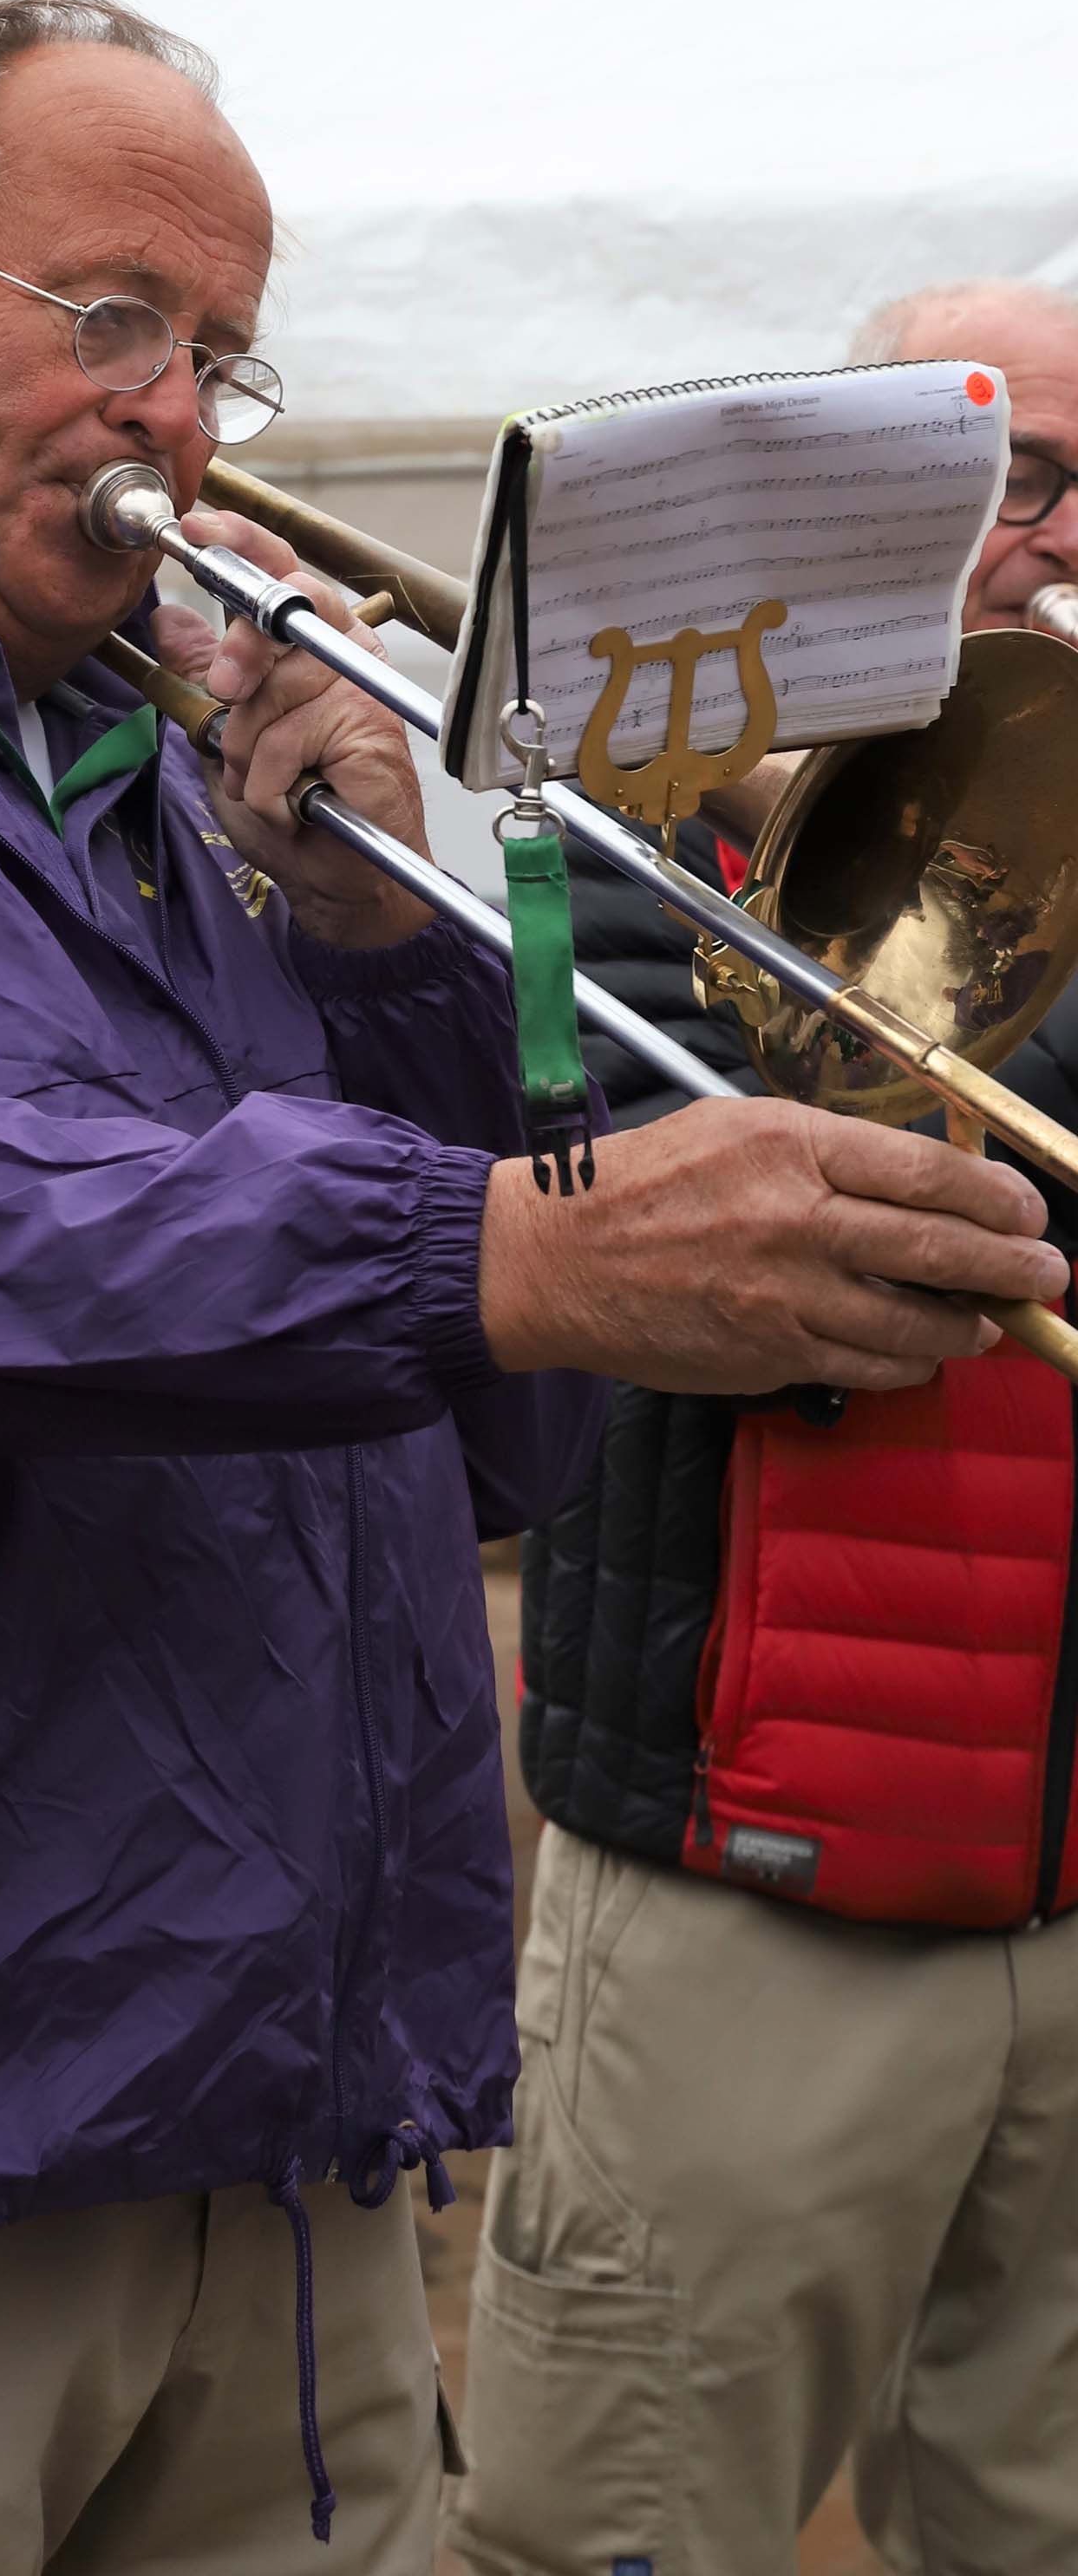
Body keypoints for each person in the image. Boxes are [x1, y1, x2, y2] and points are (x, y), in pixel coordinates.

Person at [0, 0, 1062, 2573]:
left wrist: (375, 937)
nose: (178, 415)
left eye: (218, 351)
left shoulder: (194, 775)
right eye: (108, 319)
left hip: (290, 2119)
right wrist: (489, 1240)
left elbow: (513, 1434)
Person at [448, 279, 1078, 2576]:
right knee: (628, 2523)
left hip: (1073, 1875)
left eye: (1074, 487)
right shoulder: (633, 805)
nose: (1039, 534)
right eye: (998, 474)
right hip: (754, 1878)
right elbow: (641, 1184)